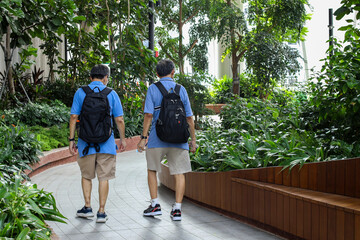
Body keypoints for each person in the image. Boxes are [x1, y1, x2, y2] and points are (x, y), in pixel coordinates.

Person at [137, 59, 196, 221]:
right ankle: (177, 209)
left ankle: (155, 205)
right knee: (179, 173)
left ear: (157, 74)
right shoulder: (181, 89)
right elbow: (189, 118)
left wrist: (143, 137)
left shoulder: (152, 89)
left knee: (152, 170)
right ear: (173, 72)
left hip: (157, 138)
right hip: (179, 139)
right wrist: (193, 140)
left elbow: (148, 115)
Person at [69, 64, 126, 223]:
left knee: (86, 176)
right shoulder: (111, 93)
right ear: (106, 77)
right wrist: (122, 139)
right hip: (106, 143)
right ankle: (101, 212)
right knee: (104, 177)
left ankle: (87, 207)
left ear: (90, 77)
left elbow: (74, 117)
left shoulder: (81, 92)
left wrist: (71, 140)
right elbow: (119, 119)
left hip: (85, 142)